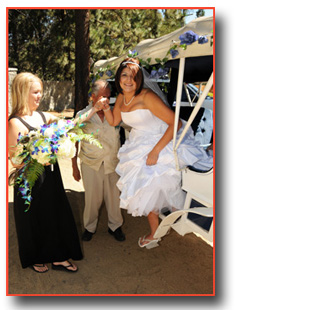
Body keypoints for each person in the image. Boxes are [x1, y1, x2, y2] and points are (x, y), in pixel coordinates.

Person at [94, 58, 213, 249]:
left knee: (155, 187)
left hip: (161, 140)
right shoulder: (123, 98)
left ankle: (168, 223)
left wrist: (156, 151)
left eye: (133, 76)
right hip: (139, 143)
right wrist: (107, 108)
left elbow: (176, 123)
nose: (128, 80)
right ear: (118, 78)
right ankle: (156, 232)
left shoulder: (147, 96)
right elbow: (115, 121)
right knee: (145, 191)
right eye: (124, 75)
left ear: (140, 79)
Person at [8, 72, 83, 273]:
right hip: (29, 179)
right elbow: (15, 161)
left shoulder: (44, 116)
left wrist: (92, 110)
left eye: (40, 91)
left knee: (55, 214)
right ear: (23, 92)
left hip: (50, 175)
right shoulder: (14, 123)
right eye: (36, 92)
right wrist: (37, 151)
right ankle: (36, 257)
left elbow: (68, 125)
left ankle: (59, 257)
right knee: (33, 218)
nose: (40, 96)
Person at [72, 79, 125, 242]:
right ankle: (89, 227)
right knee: (92, 199)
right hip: (91, 164)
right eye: (102, 97)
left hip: (112, 163)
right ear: (93, 97)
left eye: (108, 97)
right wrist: (74, 166)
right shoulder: (82, 114)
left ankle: (115, 226)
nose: (105, 101)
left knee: (114, 198)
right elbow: (74, 136)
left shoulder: (115, 113)